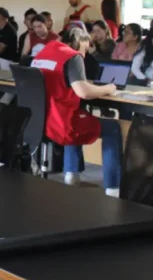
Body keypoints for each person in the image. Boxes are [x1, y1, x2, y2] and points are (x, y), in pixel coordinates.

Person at [32, 36, 122, 197]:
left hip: (42, 121)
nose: (85, 54)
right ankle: (112, 187)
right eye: (85, 49)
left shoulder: (44, 53)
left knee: (77, 114)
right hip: (62, 125)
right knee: (112, 127)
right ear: (79, 41)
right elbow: (84, 92)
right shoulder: (72, 56)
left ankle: (71, 174)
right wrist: (108, 88)